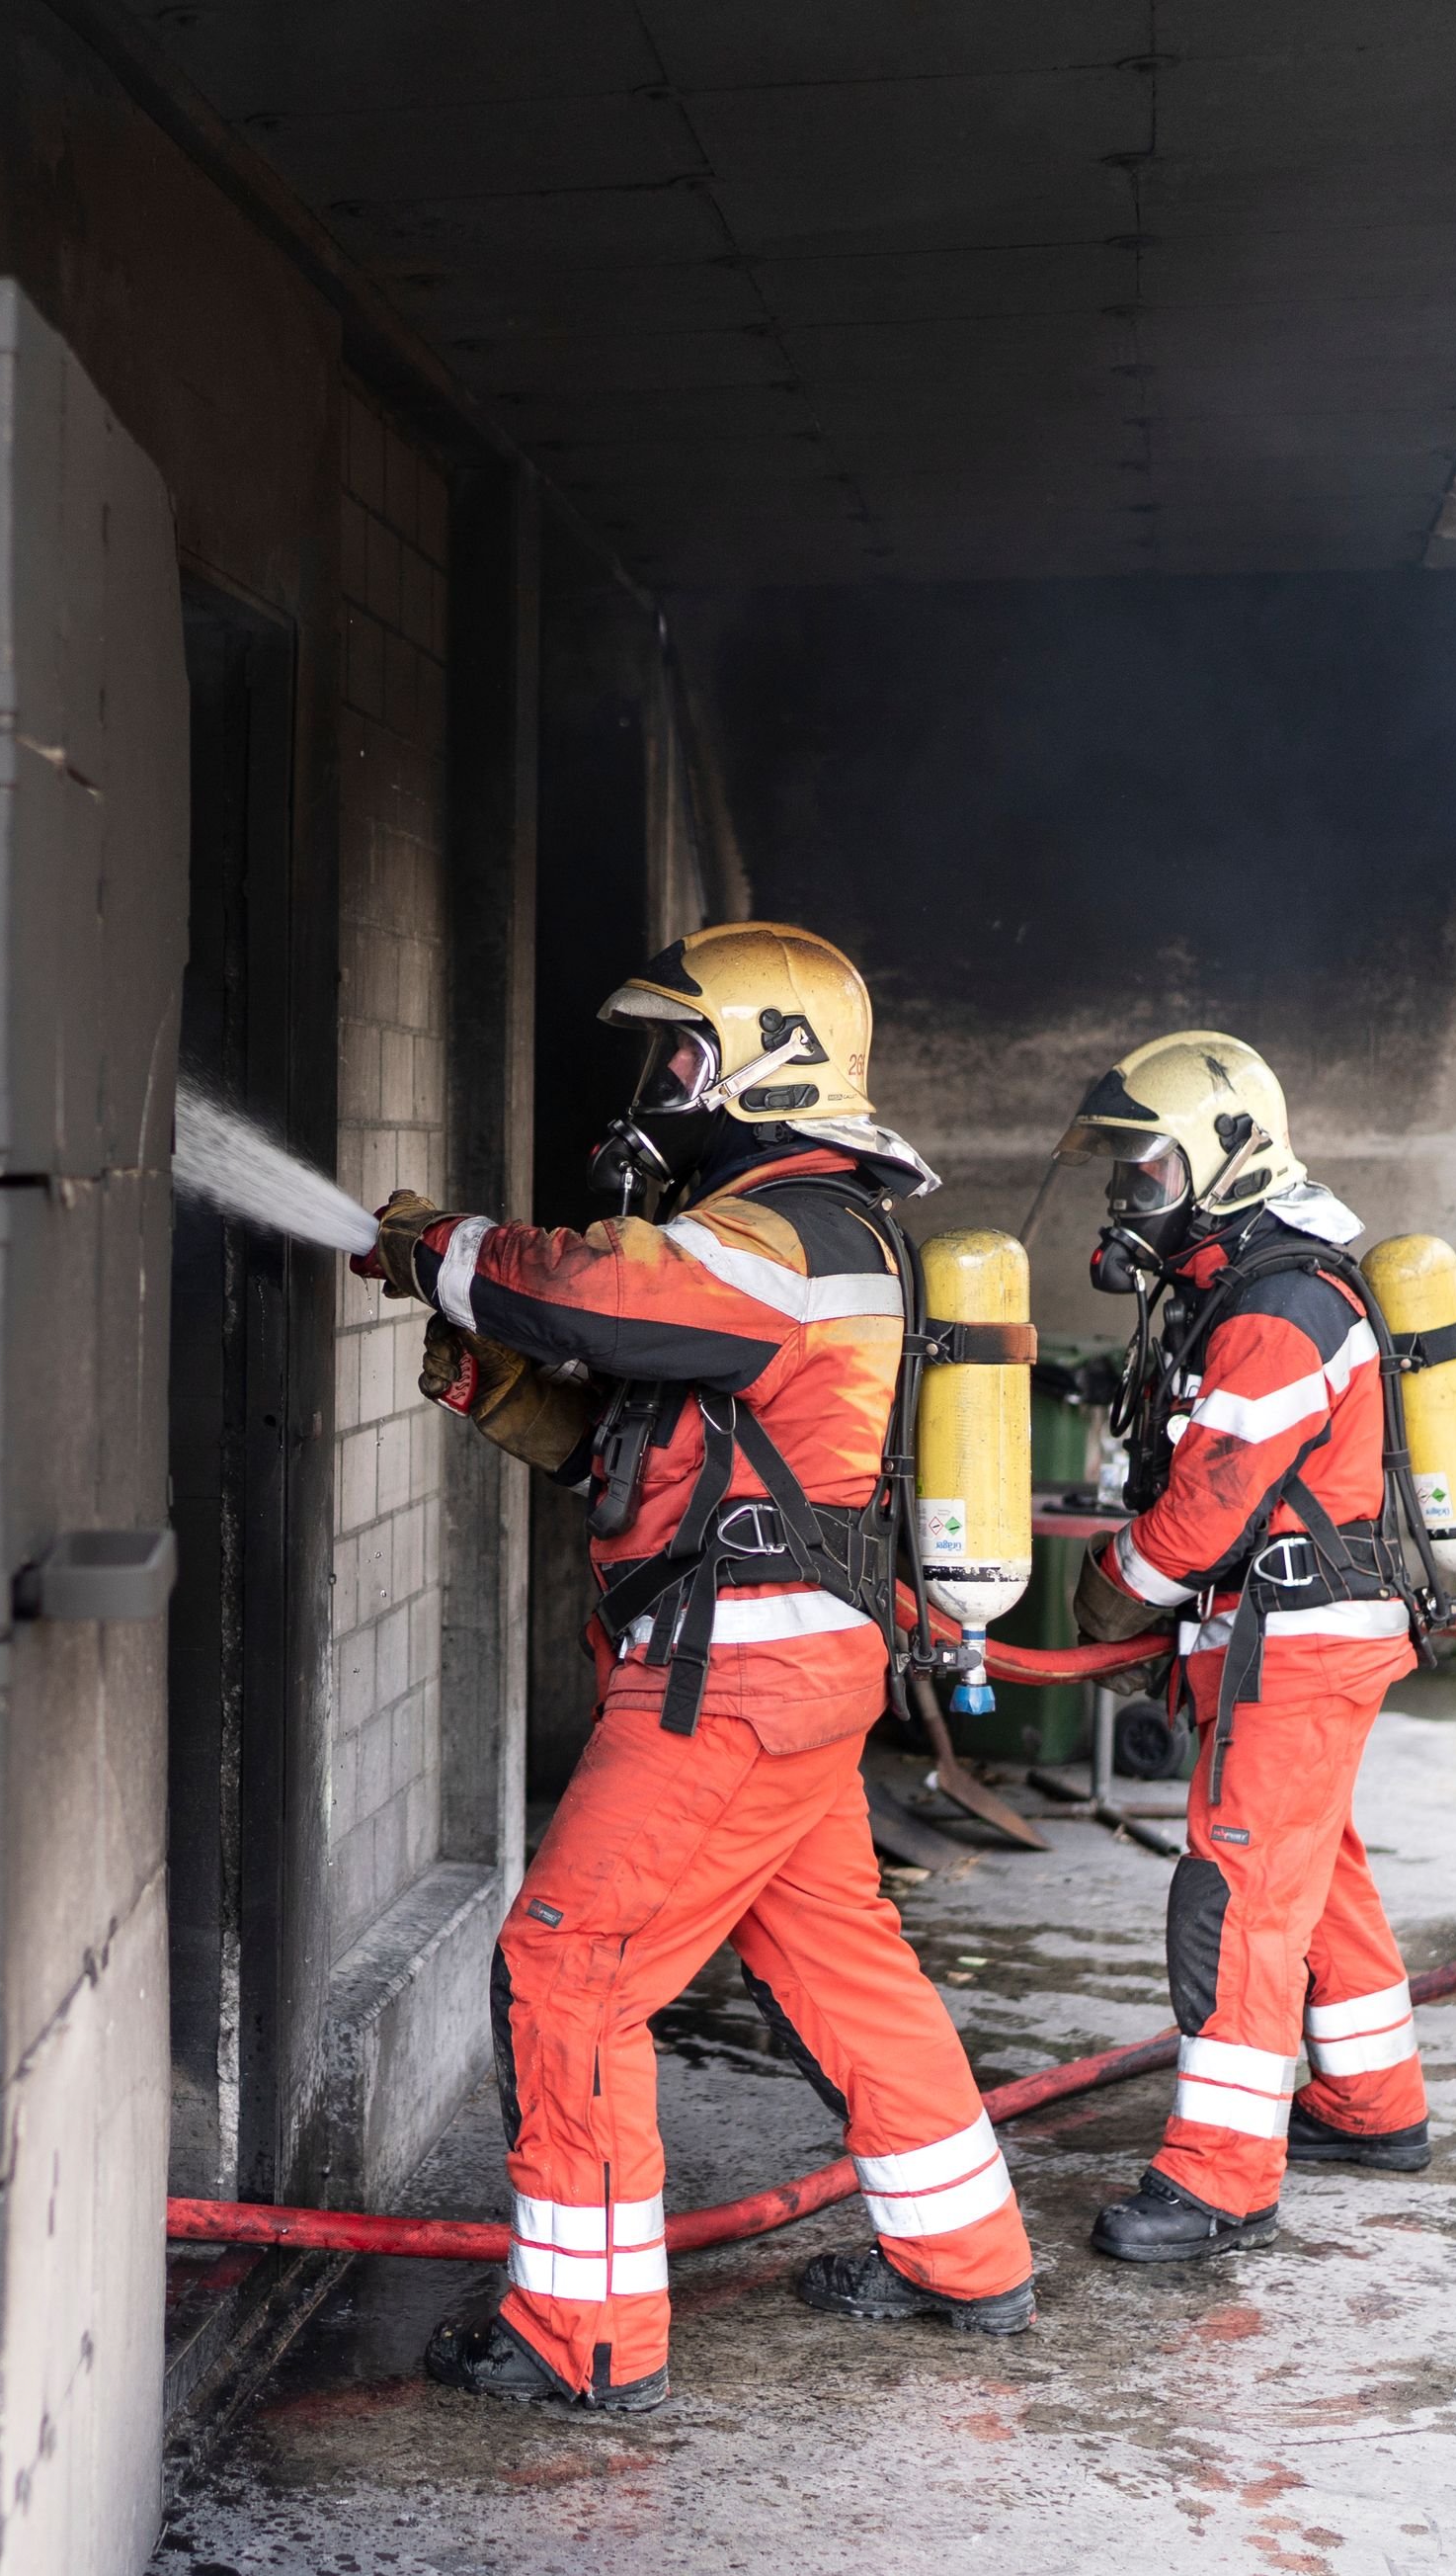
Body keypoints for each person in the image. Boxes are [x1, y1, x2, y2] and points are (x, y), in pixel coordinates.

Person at [365, 921, 1038, 2417]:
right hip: (782, 1673)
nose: (659, 1082)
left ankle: (583, 2335)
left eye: (681, 1052)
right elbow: (681, 1457)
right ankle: (967, 2255)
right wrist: (519, 1397)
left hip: (728, 1687)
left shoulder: (790, 1229)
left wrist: (440, 1249)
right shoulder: (788, 1235)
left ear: (765, 1065)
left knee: (566, 1966)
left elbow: (594, 1292)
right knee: (839, 1961)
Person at [1051, 1031, 1435, 2264]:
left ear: (1226, 1161)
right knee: (1317, 1878)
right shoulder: (1240, 1289)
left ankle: (1219, 2178)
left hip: (1296, 1647)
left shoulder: (1277, 1307)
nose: (1129, 1195)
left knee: (1236, 1901)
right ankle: (1372, 2104)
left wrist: (1109, 1596)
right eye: (1124, 1170)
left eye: (1149, 1168)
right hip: (1291, 1641)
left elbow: (1203, 1515)